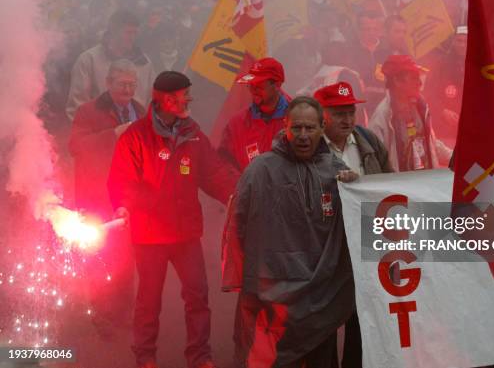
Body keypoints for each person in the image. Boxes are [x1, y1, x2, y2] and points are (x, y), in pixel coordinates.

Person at [108, 71, 239, 368]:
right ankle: (145, 356)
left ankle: (199, 356)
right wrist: (122, 207)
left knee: (197, 297)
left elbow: (214, 173)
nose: (189, 100)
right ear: (168, 100)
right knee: (149, 300)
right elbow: (122, 181)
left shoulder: (193, 134)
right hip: (149, 235)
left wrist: (237, 194)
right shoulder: (135, 136)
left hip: (186, 234)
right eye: (185, 95)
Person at [223, 96, 358, 368]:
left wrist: (356, 191)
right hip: (272, 304)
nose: (303, 136)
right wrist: (248, 282)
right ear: (285, 127)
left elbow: (356, 233)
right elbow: (235, 229)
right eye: (297, 128)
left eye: (310, 128)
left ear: (322, 127)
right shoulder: (259, 171)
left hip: (321, 302)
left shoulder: (338, 173)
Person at [314, 81, 394, 368]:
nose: (348, 119)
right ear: (322, 114)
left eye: (351, 112)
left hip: (364, 246)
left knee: (361, 320)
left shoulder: (368, 142)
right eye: (339, 113)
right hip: (324, 250)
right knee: (323, 324)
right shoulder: (308, 146)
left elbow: (390, 185)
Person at [69, 59, 145, 337]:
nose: (128, 89)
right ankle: (101, 314)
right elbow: (76, 146)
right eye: (123, 84)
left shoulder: (139, 110)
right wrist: (113, 135)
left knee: (126, 257)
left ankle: (122, 313)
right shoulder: (88, 111)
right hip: (95, 196)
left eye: (133, 84)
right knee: (100, 257)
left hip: (127, 197)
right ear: (108, 83)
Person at [66, 9, 156, 120]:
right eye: (128, 33)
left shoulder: (144, 63)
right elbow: (77, 106)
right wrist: (89, 135)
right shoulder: (89, 60)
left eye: (135, 33)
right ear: (113, 32)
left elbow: (152, 102)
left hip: (136, 133)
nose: (132, 37)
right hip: (99, 131)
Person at [369, 55, 452, 171]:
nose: (419, 83)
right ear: (397, 81)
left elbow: (430, 143)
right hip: (401, 186)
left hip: (425, 183)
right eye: (414, 77)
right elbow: (375, 163)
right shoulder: (381, 118)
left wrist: (455, 157)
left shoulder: (420, 107)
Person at [218, 57, 291, 171]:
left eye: (259, 85)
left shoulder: (299, 120)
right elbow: (224, 165)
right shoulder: (236, 124)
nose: (253, 90)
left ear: (277, 84)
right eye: (251, 84)